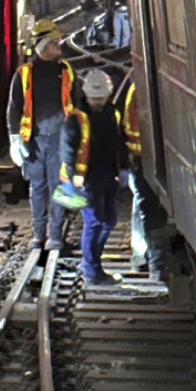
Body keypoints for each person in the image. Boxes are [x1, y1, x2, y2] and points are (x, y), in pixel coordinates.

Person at [7, 18, 77, 250]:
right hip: (34, 140)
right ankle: (39, 234)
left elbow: (77, 106)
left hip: (60, 140)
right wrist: (15, 139)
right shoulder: (24, 74)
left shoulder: (66, 71)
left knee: (57, 186)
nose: (59, 44)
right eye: (54, 41)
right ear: (42, 45)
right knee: (37, 187)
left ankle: (54, 236)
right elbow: (14, 108)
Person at [60, 69, 123, 285]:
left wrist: (123, 167)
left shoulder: (111, 113)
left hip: (107, 174)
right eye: (95, 98)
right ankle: (92, 270)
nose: (98, 102)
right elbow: (67, 152)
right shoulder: (76, 119)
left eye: (102, 98)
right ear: (87, 95)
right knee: (95, 222)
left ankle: (92, 264)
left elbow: (117, 141)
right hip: (86, 179)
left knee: (109, 220)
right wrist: (73, 180)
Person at [116, 75, 166, 281]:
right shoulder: (138, 89)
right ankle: (148, 261)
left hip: (142, 158)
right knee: (147, 209)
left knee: (143, 207)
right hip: (143, 158)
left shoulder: (136, 88)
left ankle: (143, 258)